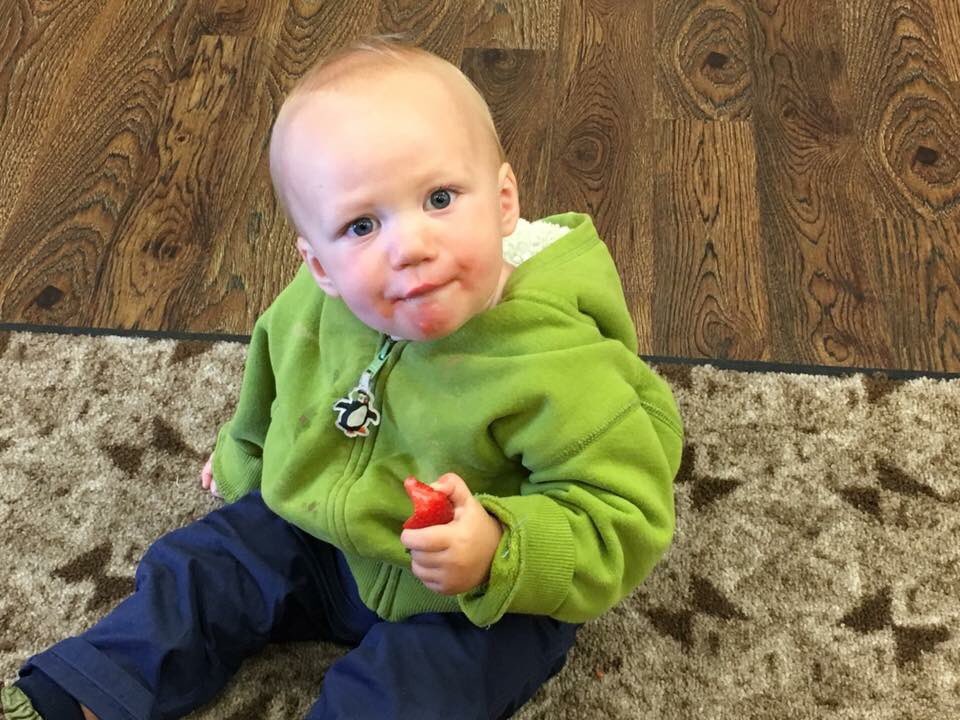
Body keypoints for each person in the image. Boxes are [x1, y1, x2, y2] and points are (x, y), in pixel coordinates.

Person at [1, 36, 683, 720]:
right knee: (203, 570)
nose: (410, 246)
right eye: (361, 225)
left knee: (418, 689)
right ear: (318, 263)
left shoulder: (560, 358)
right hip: (328, 538)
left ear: (504, 200)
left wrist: (500, 549)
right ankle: (80, 697)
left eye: (440, 197)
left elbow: (624, 515)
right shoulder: (315, 304)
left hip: (475, 595)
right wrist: (247, 455)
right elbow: (276, 381)